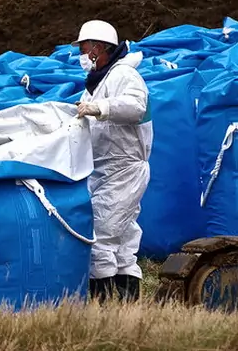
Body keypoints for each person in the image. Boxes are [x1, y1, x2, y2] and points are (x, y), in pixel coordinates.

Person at [72, 20, 153, 304]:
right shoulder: (96, 82)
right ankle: (128, 309)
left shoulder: (124, 75)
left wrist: (100, 109)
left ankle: (103, 308)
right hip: (104, 170)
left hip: (124, 170)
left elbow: (136, 106)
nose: (81, 54)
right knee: (123, 241)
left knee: (101, 237)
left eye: (84, 48)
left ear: (99, 48)